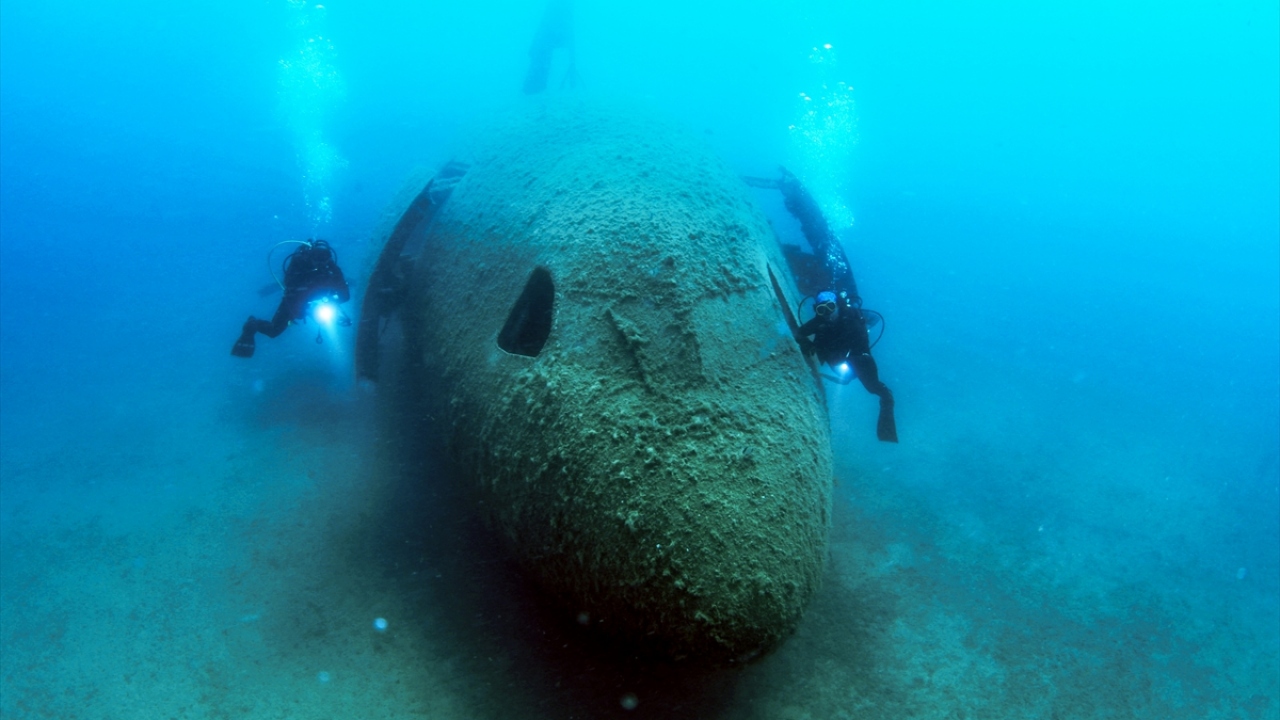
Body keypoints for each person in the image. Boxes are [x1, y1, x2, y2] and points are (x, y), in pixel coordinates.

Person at [797, 290, 898, 443]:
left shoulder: (851, 318)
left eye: (830, 307)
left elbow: (862, 346)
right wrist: (807, 344)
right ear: (817, 310)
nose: (827, 314)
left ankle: (887, 413)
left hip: (859, 358)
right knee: (848, 372)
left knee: (874, 388)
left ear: (838, 305)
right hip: (840, 361)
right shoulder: (820, 321)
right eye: (821, 310)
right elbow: (800, 333)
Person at [231, 239, 351, 358]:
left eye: (324, 257)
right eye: (317, 256)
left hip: (321, 299)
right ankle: (252, 325)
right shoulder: (299, 263)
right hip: (296, 299)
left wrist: (332, 301)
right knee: (274, 331)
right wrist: (304, 304)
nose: (320, 261)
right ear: (311, 255)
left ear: (329, 257)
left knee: (341, 320)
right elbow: (290, 287)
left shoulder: (332, 269)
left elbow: (345, 296)